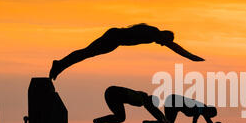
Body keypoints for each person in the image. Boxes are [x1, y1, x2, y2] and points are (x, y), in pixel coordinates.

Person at [49, 23, 204, 80]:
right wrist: (192, 57)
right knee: (86, 53)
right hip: (114, 37)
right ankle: (59, 65)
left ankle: (60, 65)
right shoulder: (154, 32)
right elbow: (176, 47)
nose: (162, 45)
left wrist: (192, 57)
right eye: (164, 42)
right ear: (165, 35)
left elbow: (174, 47)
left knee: (86, 53)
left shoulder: (155, 34)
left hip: (115, 40)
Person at [93, 86, 170, 123]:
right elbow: (154, 111)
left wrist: (162, 118)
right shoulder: (144, 98)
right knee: (120, 117)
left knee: (120, 118)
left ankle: (98, 121)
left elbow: (154, 110)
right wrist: (163, 119)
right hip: (114, 93)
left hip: (113, 94)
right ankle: (98, 121)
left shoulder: (143, 97)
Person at [142, 94, 218, 123]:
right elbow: (195, 118)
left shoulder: (203, 109)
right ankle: (147, 122)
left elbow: (209, 122)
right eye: (209, 115)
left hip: (175, 106)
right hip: (172, 101)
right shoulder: (200, 107)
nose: (207, 117)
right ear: (208, 110)